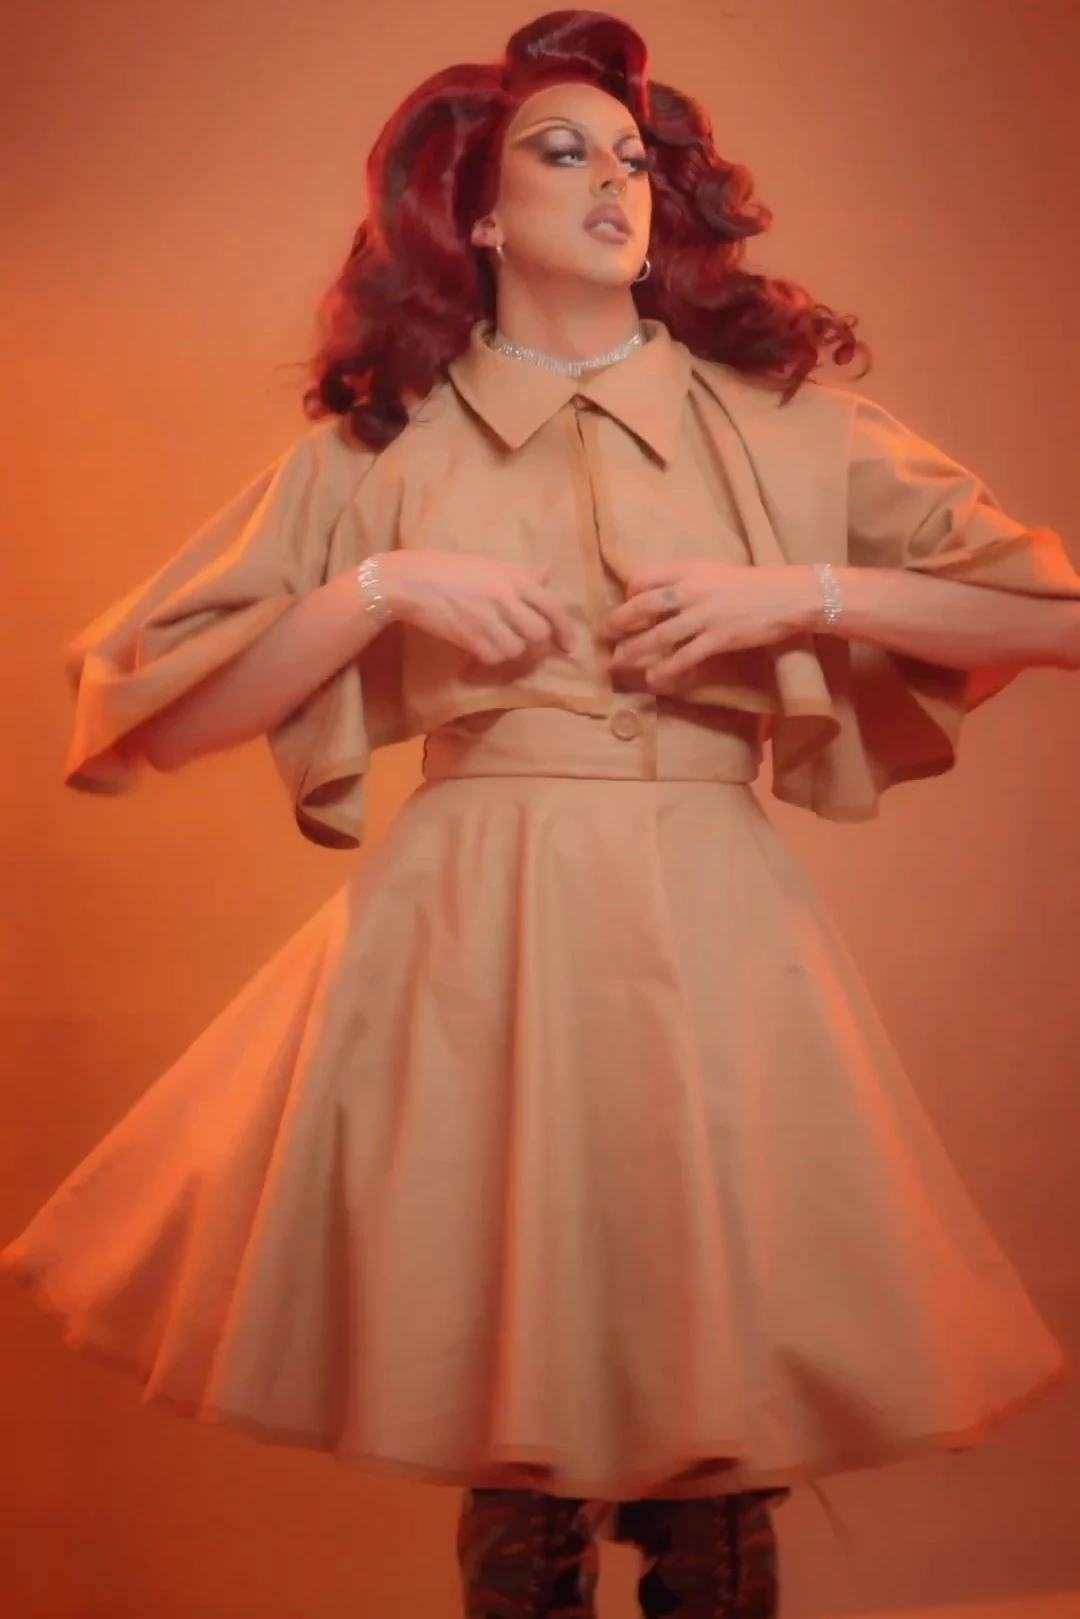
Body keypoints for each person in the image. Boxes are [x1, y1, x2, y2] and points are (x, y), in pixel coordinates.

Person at [5, 10, 1079, 1617]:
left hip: (710, 918)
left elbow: (1056, 611)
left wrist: (804, 591)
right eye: (562, 153)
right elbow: (158, 710)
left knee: (716, 1376)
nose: (615, 183)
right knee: (509, 1382)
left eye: (633, 158)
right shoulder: (381, 449)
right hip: (472, 930)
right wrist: (379, 587)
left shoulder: (781, 427)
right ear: (481, 214)